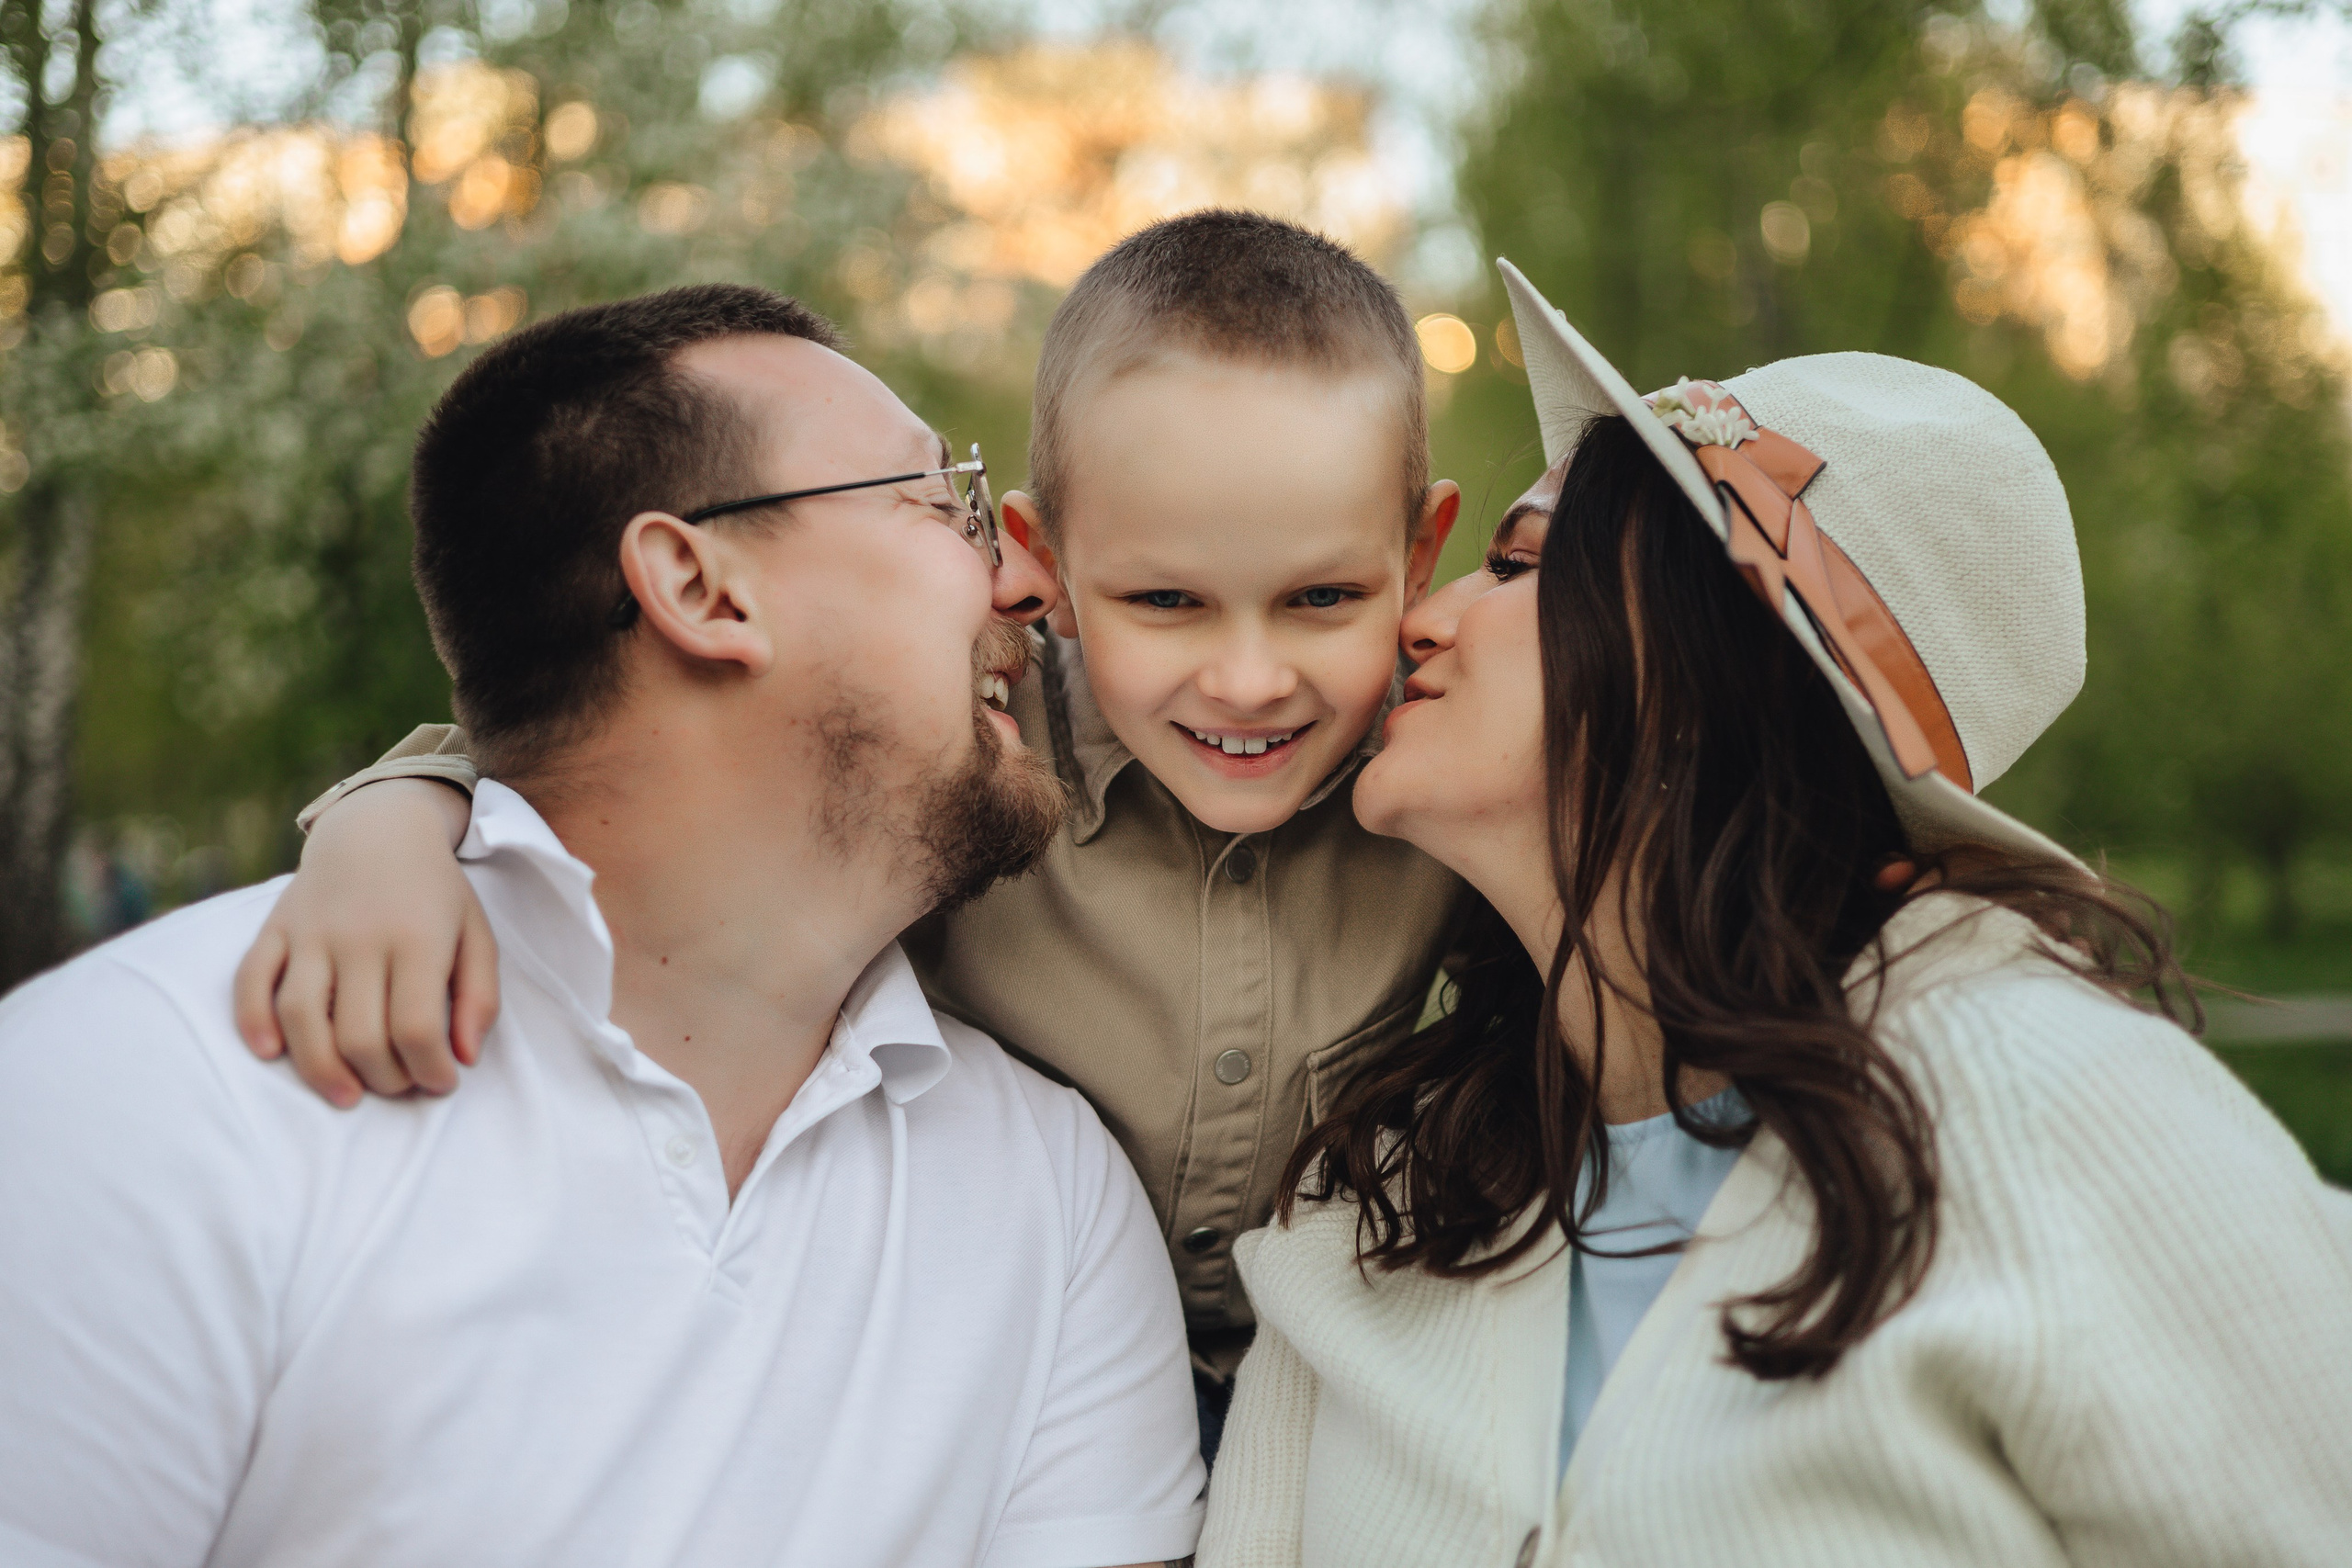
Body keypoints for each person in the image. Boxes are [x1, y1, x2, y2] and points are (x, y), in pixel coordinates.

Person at [0, 284, 1205, 1568]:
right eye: (946, 503)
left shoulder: (1054, 1198)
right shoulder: (147, 1093)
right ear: (700, 584)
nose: (1029, 577)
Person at [229, 211, 1468, 1453]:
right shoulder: (978, 745)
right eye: (1166, 602)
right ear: (1042, 567)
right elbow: (593, 746)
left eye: (1322, 598)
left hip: (1334, 1402)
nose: (1249, 682)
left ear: (1417, 558)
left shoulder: (1443, 775)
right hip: (990, 1386)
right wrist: (386, 826)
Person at [1195, 262, 2352, 1566]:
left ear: (1712, 661)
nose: (1424, 616)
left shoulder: (2064, 1109)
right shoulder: (1380, 1194)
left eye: (1518, 566)